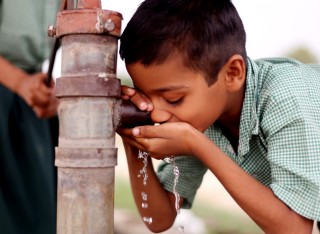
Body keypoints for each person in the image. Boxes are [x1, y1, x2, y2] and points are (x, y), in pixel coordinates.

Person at [116, 0, 320, 233]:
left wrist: (197, 144)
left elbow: (294, 229)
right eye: (147, 99)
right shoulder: (204, 117)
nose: (158, 114)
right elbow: (160, 218)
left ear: (233, 73)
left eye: (173, 98)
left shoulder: (284, 98)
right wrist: (133, 134)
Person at [0, 0, 59, 233]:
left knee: (40, 216)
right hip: (10, 88)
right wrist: (20, 82)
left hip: (31, 101)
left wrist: (56, 94)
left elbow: (89, 24)